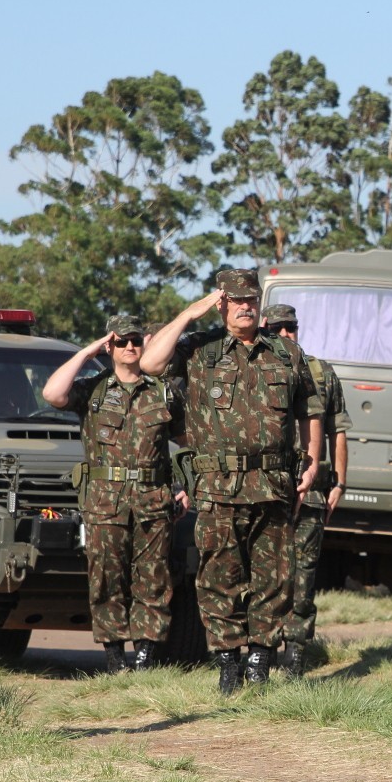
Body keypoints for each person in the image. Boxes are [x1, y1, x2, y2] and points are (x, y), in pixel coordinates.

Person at [141, 269, 322, 693]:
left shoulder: (285, 353)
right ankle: (228, 661)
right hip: (220, 487)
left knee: (275, 577)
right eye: (236, 300)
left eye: (252, 299)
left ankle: (259, 659)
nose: (246, 306)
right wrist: (191, 311)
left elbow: (308, 410)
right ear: (222, 304)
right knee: (217, 577)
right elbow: (149, 363)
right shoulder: (199, 350)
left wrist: (313, 461)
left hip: (274, 484)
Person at [43, 314, 187, 673]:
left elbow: (189, 443)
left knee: (153, 577)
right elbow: (52, 393)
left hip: (153, 499)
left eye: (135, 340)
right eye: (121, 341)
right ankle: (114, 656)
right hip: (105, 503)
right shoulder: (92, 390)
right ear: (110, 345)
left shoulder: (164, 392)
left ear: (145, 342)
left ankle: (145, 655)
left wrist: (185, 487)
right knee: (106, 576)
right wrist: (89, 350)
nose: (129, 347)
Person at [260, 303, 351, 678]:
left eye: (291, 328)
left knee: (303, 573)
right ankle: (260, 651)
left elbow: (338, 431)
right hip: (264, 487)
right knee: (262, 573)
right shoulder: (254, 371)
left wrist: (340, 481)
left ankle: (295, 652)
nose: (285, 335)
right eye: (278, 329)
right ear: (266, 330)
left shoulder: (321, 372)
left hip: (311, 491)